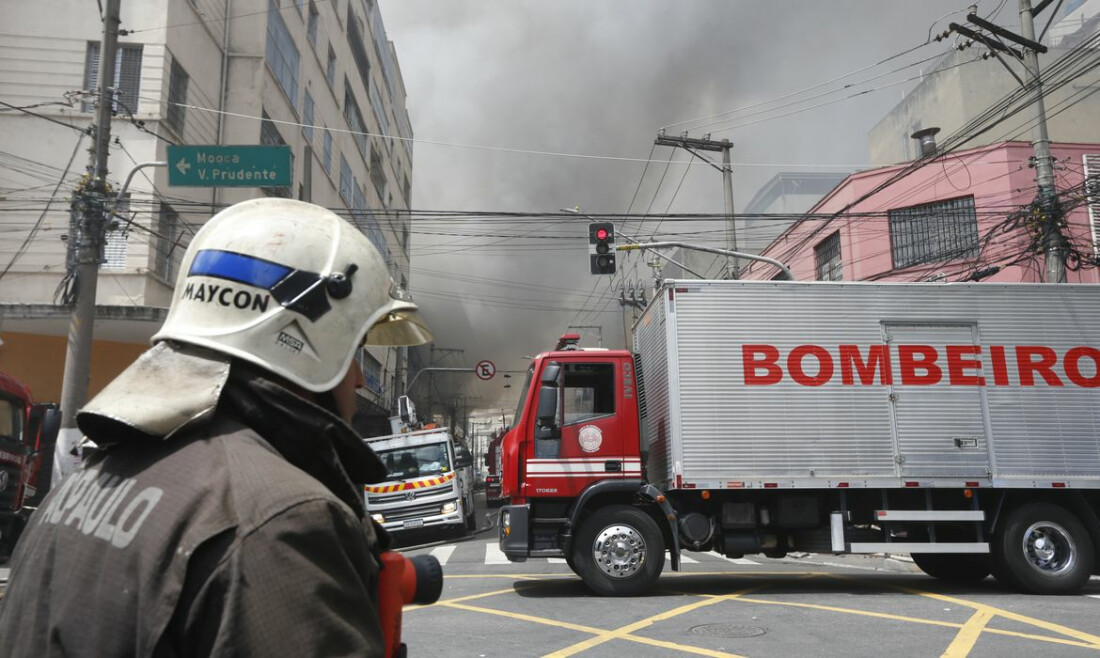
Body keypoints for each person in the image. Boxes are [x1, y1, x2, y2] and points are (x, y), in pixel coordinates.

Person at [0, 198, 432, 656]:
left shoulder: (80, 486)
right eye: (356, 349)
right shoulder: (283, 520)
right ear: (306, 340)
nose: (361, 378)